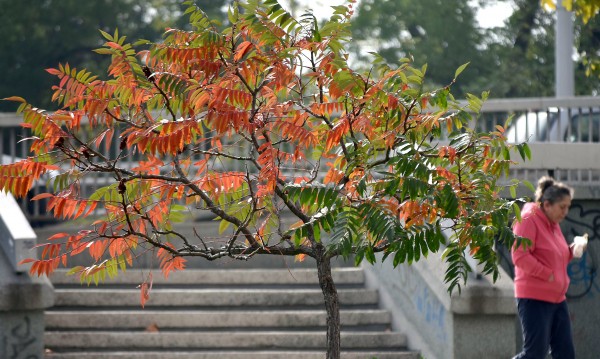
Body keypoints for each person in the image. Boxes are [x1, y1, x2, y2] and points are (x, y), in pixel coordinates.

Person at [512, 176, 584, 359]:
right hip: (534, 298)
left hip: (557, 299)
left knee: (566, 354)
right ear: (547, 205)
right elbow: (519, 256)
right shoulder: (528, 219)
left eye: (568, 207)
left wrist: (571, 251)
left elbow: (554, 255)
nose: (565, 212)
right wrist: (547, 274)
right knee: (534, 354)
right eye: (562, 207)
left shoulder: (553, 223)